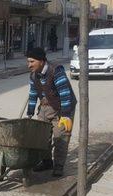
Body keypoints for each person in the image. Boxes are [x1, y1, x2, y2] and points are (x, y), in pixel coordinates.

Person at [25, 47, 77, 177]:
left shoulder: (56, 71)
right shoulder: (33, 75)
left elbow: (64, 93)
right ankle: (47, 162)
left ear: (41, 61)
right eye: (28, 62)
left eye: (32, 61)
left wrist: (65, 115)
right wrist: (30, 112)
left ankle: (59, 166)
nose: (29, 65)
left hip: (62, 108)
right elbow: (32, 93)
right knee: (41, 137)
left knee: (60, 137)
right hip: (45, 107)